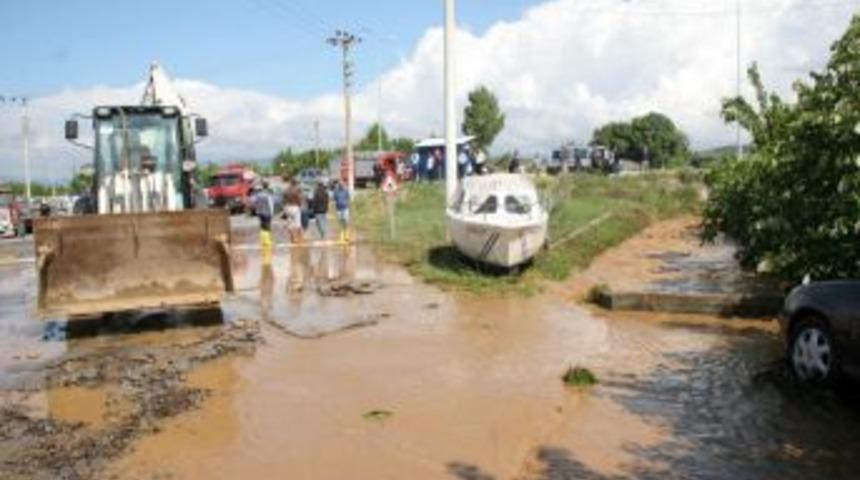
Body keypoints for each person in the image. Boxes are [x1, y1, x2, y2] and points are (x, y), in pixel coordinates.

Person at [252, 181, 274, 248]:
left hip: (259, 212)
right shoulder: (268, 194)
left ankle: (263, 241)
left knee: (262, 226)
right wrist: (272, 212)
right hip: (267, 212)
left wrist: (256, 209)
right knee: (268, 226)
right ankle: (268, 240)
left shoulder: (257, 195)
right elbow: (270, 204)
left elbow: (253, 202)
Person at [283, 178, 304, 244]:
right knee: (298, 223)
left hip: (287, 207)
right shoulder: (297, 189)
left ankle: (292, 238)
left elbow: (283, 199)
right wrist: (300, 205)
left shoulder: (286, 190)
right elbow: (299, 198)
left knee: (290, 223)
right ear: (296, 183)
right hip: (295, 207)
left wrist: (284, 208)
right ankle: (299, 238)